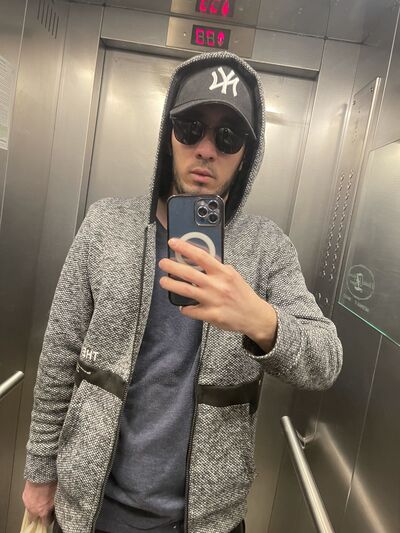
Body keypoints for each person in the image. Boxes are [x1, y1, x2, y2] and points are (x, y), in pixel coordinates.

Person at [22, 51, 343, 533]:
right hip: (89, 509)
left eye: (228, 137)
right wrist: (39, 471)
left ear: (246, 156)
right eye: (191, 128)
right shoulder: (105, 225)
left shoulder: (267, 248)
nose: (206, 149)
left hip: (207, 521)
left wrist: (258, 319)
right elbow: (58, 357)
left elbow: (326, 360)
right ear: (168, 136)